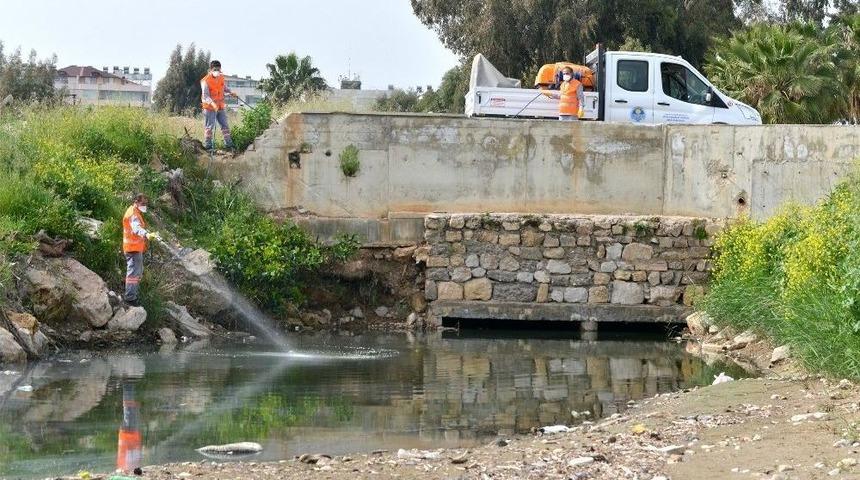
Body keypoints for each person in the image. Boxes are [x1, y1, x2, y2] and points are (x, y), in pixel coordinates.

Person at [122, 194, 158, 306]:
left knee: (136, 273)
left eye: (146, 204)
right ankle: (130, 299)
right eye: (143, 204)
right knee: (133, 274)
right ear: (136, 202)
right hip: (132, 249)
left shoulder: (135, 211)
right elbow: (136, 228)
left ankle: (133, 295)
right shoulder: (133, 213)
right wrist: (146, 234)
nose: (144, 206)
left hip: (135, 249)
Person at [200, 60, 239, 151]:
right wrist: (213, 105)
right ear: (210, 69)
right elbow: (205, 96)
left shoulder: (221, 77)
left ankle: (229, 144)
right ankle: (208, 145)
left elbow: (224, 87)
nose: (217, 71)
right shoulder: (205, 81)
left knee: (225, 125)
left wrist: (230, 92)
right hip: (209, 107)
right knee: (209, 127)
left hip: (220, 106)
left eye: (218, 69)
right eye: (215, 69)